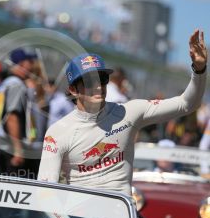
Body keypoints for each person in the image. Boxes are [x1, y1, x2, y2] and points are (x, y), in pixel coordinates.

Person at [38, 30, 207, 198]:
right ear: (73, 90)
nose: (97, 86)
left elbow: (187, 104)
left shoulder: (129, 112)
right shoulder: (57, 133)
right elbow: (45, 194)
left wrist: (199, 70)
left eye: (102, 79)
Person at [0, 48, 35, 177]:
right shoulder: (16, 84)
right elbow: (12, 116)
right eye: (30, 61)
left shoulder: (6, 82)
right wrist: (18, 150)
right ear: (22, 63)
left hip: (3, 142)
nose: (32, 65)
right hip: (12, 146)